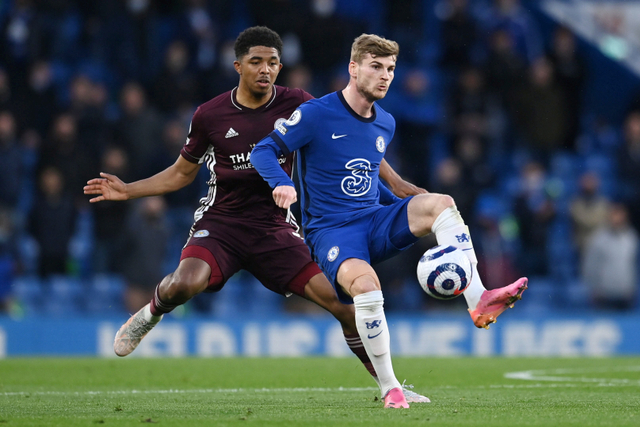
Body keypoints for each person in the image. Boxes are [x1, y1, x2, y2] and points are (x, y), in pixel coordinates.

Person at [83, 26, 427, 407]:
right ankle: (150, 313)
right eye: (256, 62)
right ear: (238, 66)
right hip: (223, 224)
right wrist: (128, 189)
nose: (266, 69)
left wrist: (395, 183)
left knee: (343, 303)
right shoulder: (210, 114)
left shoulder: (298, 103)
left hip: (275, 228)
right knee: (185, 283)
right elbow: (182, 173)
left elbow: (349, 136)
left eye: (274, 62)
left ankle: (390, 385)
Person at [251, 33, 528, 409]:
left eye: (391, 69)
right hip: (333, 232)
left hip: (374, 220)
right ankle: (391, 387)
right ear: (354, 68)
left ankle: (478, 299)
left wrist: (397, 189)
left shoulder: (385, 123)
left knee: (440, 203)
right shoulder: (316, 113)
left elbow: (366, 168)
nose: (385, 76)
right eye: (376, 66)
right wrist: (281, 184)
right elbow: (264, 150)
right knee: (367, 287)